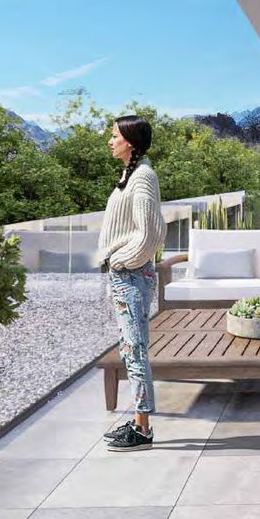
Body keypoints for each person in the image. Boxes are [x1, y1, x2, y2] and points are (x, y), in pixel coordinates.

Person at [97, 115, 166, 451]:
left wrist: (124, 261)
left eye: (114, 136)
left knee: (135, 350)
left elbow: (151, 231)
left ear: (131, 141)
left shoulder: (143, 177)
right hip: (126, 274)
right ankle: (139, 420)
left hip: (132, 274)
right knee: (129, 348)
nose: (110, 141)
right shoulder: (131, 175)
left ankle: (143, 429)